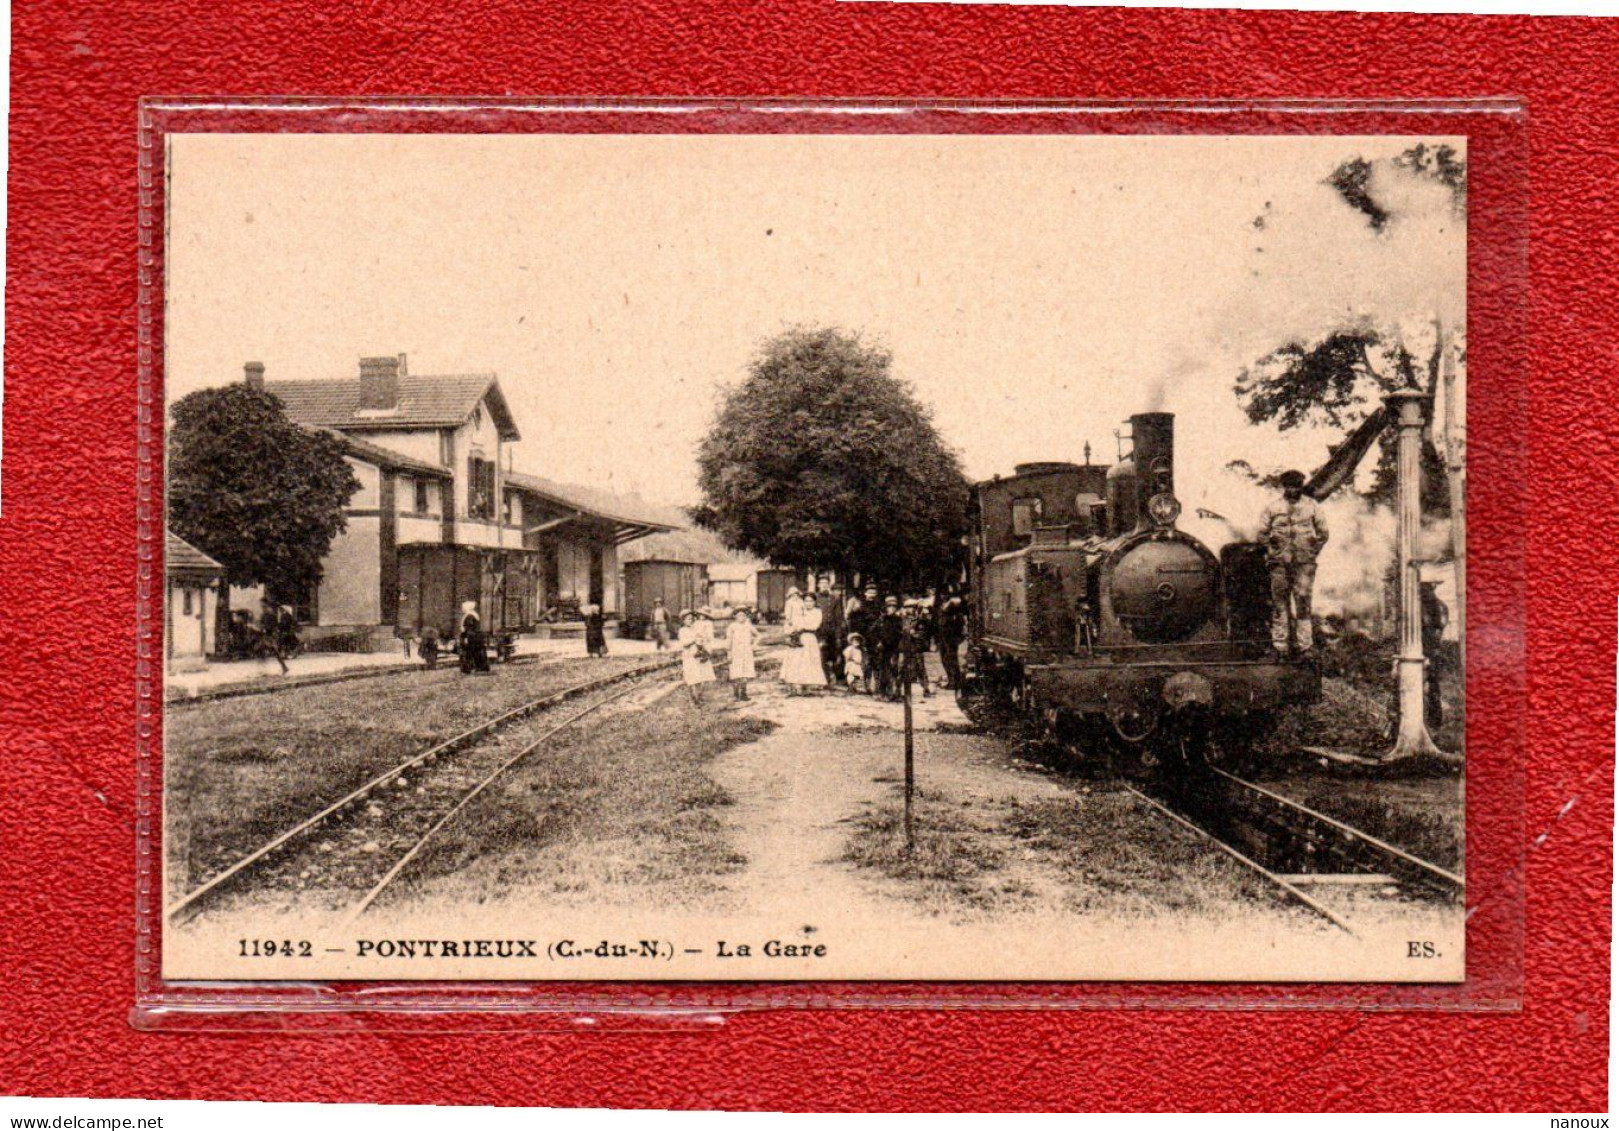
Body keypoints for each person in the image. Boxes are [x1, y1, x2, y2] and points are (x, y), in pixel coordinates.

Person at [1259, 470, 1329, 658]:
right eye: (1289, 486)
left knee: (1303, 602)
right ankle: (1280, 646)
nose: (1293, 490)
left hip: (1304, 564)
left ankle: (1305, 646)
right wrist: (1272, 552)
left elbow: (1323, 533)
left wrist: (1312, 553)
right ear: (1284, 486)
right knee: (1279, 603)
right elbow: (1262, 533)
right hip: (1279, 564)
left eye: (1296, 486)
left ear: (1301, 486)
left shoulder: (1312, 506)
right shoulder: (1273, 508)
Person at [780, 595, 827, 694]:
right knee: (798, 662)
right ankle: (798, 686)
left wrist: (802, 626)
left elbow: (815, 626)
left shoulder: (817, 612)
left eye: (811, 601)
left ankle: (808, 686)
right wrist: (792, 628)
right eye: (806, 601)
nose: (808, 603)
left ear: (814, 602)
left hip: (810, 638)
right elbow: (793, 623)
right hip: (799, 638)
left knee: (810, 661)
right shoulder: (799, 611)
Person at [1420, 581, 1449, 731]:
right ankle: (1426, 721)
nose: (1423, 594)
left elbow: (1436, 631)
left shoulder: (1437, 608)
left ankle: (1434, 721)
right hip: (1426, 650)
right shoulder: (1429, 606)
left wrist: (1428, 654)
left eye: (1425, 590)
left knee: (1432, 687)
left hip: (1431, 651)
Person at [846, 585, 881, 694]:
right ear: (865, 593)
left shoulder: (878, 606)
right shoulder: (860, 605)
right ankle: (865, 686)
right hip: (864, 637)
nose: (871, 594)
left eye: (873, 592)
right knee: (864, 663)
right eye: (869, 592)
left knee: (876, 663)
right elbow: (852, 619)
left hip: (875, 638)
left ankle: (876, 687)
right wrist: (856, 636)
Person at [678, 610, 716, 706]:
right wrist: (694, 640)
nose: (690, 621)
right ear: (683, 621)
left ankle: (698, 697)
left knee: (699, 677)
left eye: (692, 619)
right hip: (688, 656)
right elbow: (684, 643)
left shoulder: (696, 629)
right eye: (688, 619)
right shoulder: (682, 630)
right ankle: (693, 699)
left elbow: (702, 639)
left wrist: (703, 640)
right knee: (691, 678)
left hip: (697, 656)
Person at [898, 601, 932, 699]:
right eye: (907, 607)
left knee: (920, 667)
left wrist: (913, 634)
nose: (909, 609)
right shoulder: (902, 619)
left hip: (916, 648)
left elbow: (922, 633)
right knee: (901, 668)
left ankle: (926, 688)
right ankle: (897, 688)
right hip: (904, 647)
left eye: (912, 607)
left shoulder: (920, 620)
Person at [874, 595, 905, 700]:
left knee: (894, 669)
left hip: (894, 649)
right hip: (883, 648)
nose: (891, 608)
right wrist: (878, 641)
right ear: (886, 608)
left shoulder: (899, 620)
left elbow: (902, 633)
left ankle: (893, 693)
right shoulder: (881, 620)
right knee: (883, 671)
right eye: (889, 606)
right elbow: (873, 631)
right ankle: (882, 692)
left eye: (893, 607)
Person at [934, 591, 967, 690]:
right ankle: (951, 680)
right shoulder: (941, 607)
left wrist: (958, 637)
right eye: (942, 594)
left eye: (944, 594)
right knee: (945, 658)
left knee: (951, 659)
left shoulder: (954, 607)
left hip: (951, 638)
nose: (942, 596)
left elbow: (959, 624)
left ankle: (955, 681)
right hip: (943, 637)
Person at [817, 582, 848, 687]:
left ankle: (840, 678)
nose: (824, 586)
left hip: (833, 632)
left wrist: (838, 635)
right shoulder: (815, 598)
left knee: (837, 654)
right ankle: (825, 680)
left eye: (826, 583)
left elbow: (839, 618)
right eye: (822, 583)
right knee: (822, 656)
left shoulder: (834, 599)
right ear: (818, 585)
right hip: (820, 632)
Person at [725, 607, 759, 701]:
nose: (741, 617)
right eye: (739, 615)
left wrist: (753, 645)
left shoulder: (748, 626)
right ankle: (736, 694)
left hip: (746, 652)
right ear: (735, 616)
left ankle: (743, 693)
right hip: (736, 651)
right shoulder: (732, 626)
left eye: (744, 615)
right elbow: (729, 640)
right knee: (736, 673)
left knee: (745, 672)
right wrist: (729, 652)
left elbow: (758, 636)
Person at [257, 598, 289, 674]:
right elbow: (262, 623)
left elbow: (273, 625)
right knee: (263, 650)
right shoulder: (264, 613)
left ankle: (283, 667)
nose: (261, 605)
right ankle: (283, 667)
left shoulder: (270, 613)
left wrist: (266, 628)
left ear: (265, 604)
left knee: (272, 651)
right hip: (265, 635)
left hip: (270, 635)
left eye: (262, 604)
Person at [458, 600, 490, 674]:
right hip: (474, 637)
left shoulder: (469, 616)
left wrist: (466, 638)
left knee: (468, 653)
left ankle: (468, 668)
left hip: (470, 637)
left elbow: (469, 628)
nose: (462, 609)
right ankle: (480, 668)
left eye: (463, 607)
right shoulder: (473, 615)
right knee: (476, 653)